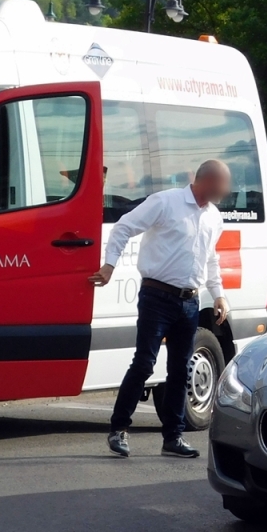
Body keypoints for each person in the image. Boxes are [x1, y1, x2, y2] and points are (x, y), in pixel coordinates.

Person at [90, 159, 232, 459]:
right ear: (206, 181)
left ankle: (173, 437)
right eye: (222, 183)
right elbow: (125, 226)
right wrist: (109, 264)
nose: (225, 190)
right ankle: (118, 429)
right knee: (144, 363)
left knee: (180, 370)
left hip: (191, 301)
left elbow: (211, 259)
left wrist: (218, 295)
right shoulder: (166, 202)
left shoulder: (214, 217)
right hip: (157, 295)